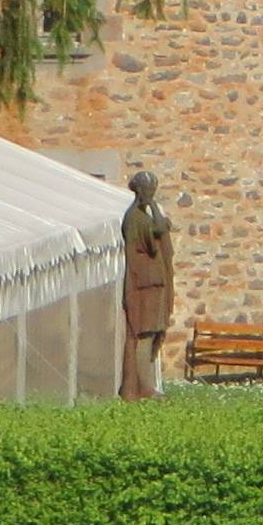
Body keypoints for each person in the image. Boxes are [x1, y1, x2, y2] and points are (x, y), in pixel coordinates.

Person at [119, 168, 176, 398]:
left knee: (151, 333)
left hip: (152, 282)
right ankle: (144, 387)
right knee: (144, 333)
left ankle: (146, 385)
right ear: (141, 191)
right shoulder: (136, 218)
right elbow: (157, 233)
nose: (152, 194)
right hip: (144, 283)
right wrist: (154, 207)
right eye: (150, 191)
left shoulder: (142, 217)